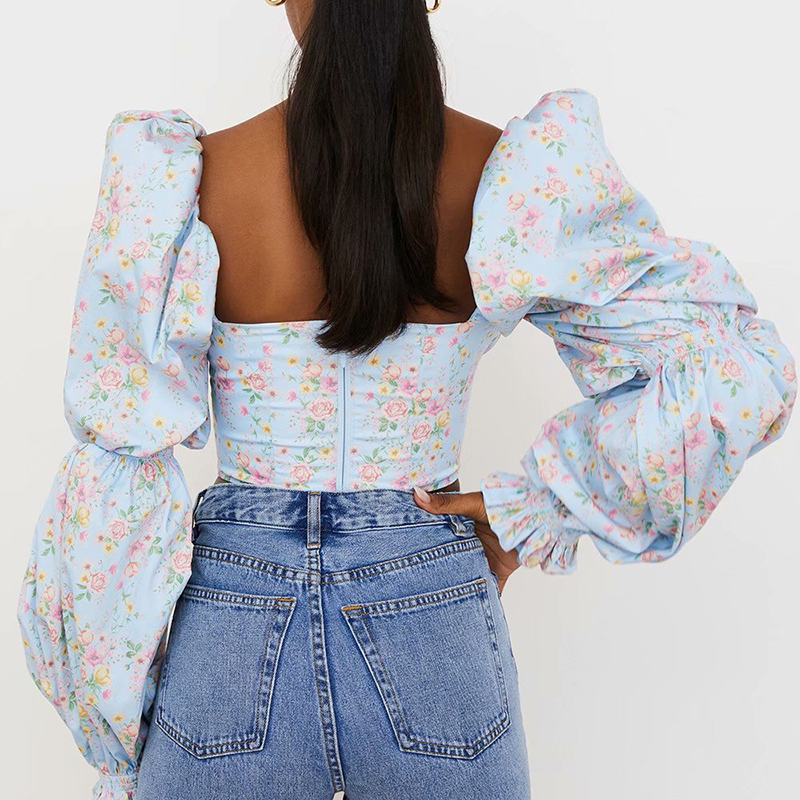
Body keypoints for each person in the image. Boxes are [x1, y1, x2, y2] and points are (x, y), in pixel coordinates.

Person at [16, 1, 796, 799]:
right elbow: (735, 372)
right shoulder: (506, 174)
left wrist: (113, 729)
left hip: (230, 618)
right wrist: (539, 505)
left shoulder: (191, 180)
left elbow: (117, 465)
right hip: (432, 606)